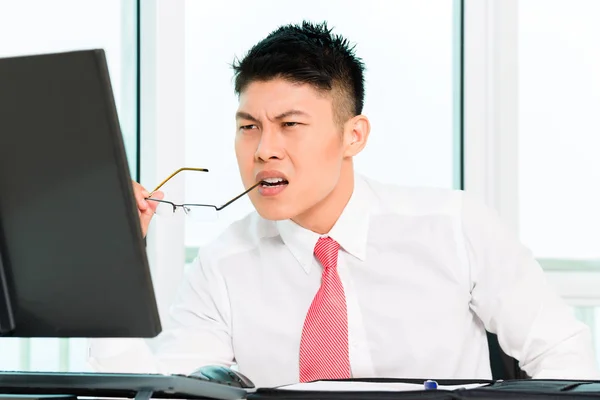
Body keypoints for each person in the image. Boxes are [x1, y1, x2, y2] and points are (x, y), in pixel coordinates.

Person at [88, 21, 599, 388]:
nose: (264, 148)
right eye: (248, 126)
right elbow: (166, 394)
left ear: (353, 135)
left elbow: (565, 357)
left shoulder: (454, 226)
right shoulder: (223, 262)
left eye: (290, 125)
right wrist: (111, 262)